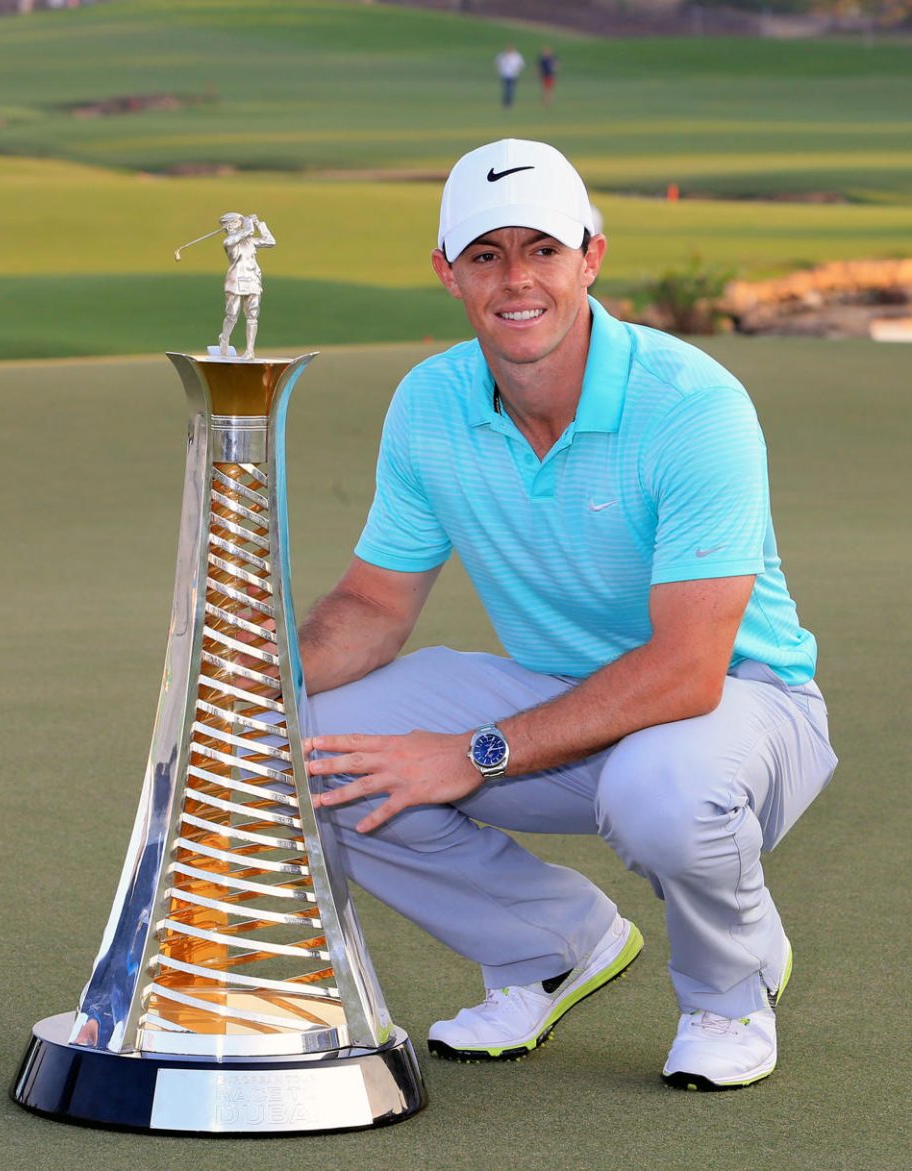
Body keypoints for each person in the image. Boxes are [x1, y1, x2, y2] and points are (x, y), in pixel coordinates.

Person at [299, 139, 837, 1091]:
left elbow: (685, 670)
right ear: (447, 274)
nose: (517, 280)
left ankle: (729, 988)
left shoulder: (693, 405)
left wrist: (466, 754)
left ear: (590, 256)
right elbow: (373, 606)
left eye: (542, 250)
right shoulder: (429, 403)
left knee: (658, 788)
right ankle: (548, 945)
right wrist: (235, 690)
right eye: (486, 255)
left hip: (742, 709)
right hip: (559, 696)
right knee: (303, 743)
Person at [217, 211, 276, 360]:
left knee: (252, 315)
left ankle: (250, 350)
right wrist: (249, 223)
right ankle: (224, 338)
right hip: (235, 280)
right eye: (228, 224)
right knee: (232, 315)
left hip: (252, 279)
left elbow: (270, 242)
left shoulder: (250, 241)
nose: (230, 226)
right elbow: (247, 231)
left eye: (234, 223)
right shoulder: (229, 241)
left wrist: (260, 225)